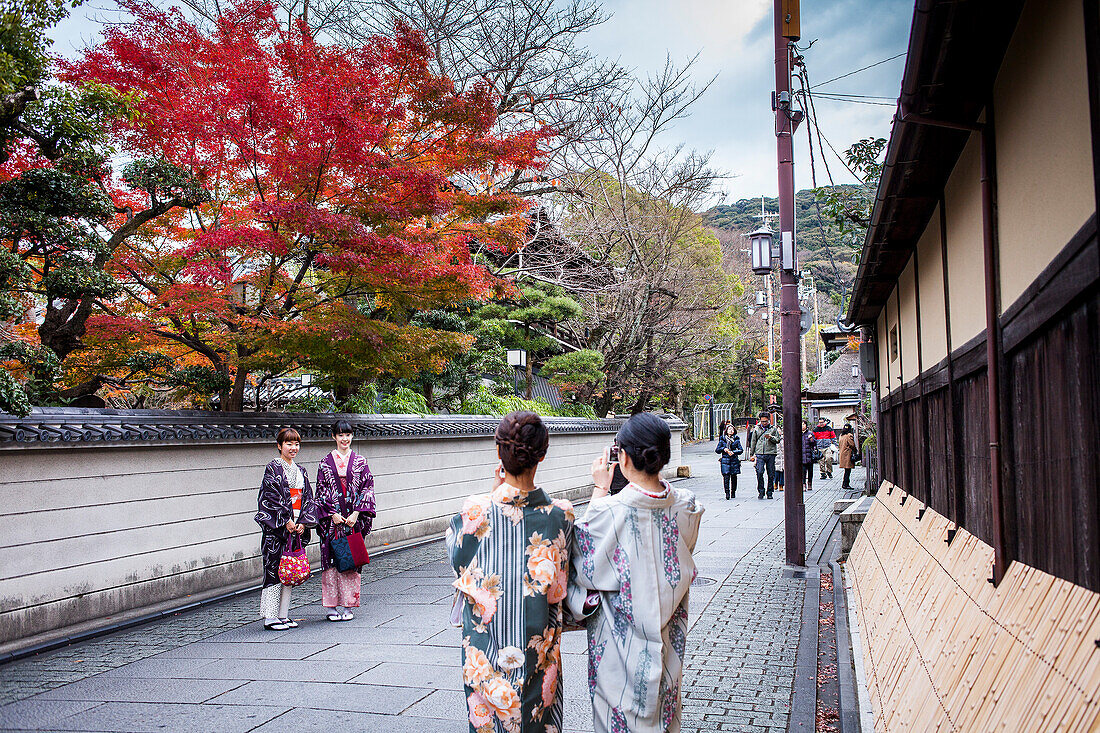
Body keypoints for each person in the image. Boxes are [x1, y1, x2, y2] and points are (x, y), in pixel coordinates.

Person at [568, 412, 704, 733]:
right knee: (664, 714)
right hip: (669, 640)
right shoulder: (687, 506)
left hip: (619, 649)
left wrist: (601, 488)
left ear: (623, 457)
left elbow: (581, 560)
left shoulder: (608, 511)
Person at [446, 411, 574, 733]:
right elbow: (560, 586)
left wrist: (492, 495)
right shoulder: (561, 514)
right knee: (538, 721)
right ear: (542, 455)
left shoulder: (475, 510)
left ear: (499, 453)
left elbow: (458, 559)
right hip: (538, 654)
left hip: (485, 653)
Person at [255, 427, 318, 631]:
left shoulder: (301, 471)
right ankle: (270, 617)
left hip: (296, 525)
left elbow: (309, 498)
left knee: (289, 570)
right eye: (289, 443)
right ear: (279, 446)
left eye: (297, 444)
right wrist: (286, 520)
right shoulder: (273, 468)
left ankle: (283, 615)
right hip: (278, 529)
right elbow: (269, 498)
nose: (293, 448)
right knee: (274, 571)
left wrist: (303, 523)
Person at [315, 420, 376, 622]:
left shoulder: (360, 461)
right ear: (333, 436)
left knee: (351, 561)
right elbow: (321, 491)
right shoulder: (325, 463)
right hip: (332, 522)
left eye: (348, 435)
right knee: (331, 563)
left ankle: (348, 605)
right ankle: (332, 606)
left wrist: (357, 513)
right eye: (340, 435)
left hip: (352, 521)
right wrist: (332, 513)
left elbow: (367, 488)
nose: (345, 439)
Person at [747, 411, 781, 499]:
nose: (764, 423)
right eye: (762, 421)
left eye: (766, 421)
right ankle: (761, 491)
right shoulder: (756, 429)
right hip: (760, 453)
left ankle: (770, 492)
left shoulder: (773, 429)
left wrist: (771, 437)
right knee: (760, 472)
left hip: (771, 453)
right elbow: (753, 441)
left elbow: (778, 440)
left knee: (771, 473)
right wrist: (752, 454)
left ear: (769, 420)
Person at [714, 423, 743, 499]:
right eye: (729, 429)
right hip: (725, 460)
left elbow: (741, 450)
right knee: (726, 476)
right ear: (726, 431)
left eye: (732, 429)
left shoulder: (736, 439)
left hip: (734, 460)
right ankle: (727, 492)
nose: (731, 430)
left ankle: (733, 492)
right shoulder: (722, 439)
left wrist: (734, 452)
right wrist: (724, 449)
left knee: (734, 477)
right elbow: (717, 450)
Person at [838, 425, 858, 490]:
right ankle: (846, 484)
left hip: (842, 454)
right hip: (847, 454)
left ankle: (845, 484)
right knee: (848, 470)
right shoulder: (849, 435)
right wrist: (855, 450)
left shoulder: (841, 435)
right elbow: (852, 444)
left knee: (846, 470)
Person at [801, 421, 817, 491]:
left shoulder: (810, 433)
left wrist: (811, 439)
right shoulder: (798, 434)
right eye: (801, 424)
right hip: (802, 456)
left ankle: (809, 483)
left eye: (804, 424)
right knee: (803, 472)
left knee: (810, 471)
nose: (802, 426)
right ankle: (803, 484)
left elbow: (814, 443)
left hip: (809, 455)